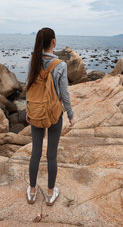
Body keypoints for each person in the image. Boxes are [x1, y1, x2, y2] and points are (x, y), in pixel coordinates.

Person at [25, 27, 75, 206]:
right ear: (53, 41)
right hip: (54, 115)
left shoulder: (34, 61)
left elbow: (29, 88)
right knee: (51, 155)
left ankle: (31, 192)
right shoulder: (60, 65)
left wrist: (28, 110)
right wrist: (70, 115)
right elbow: (65, 93)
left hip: (36, 112)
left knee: (35, 154)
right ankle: (50, 194)